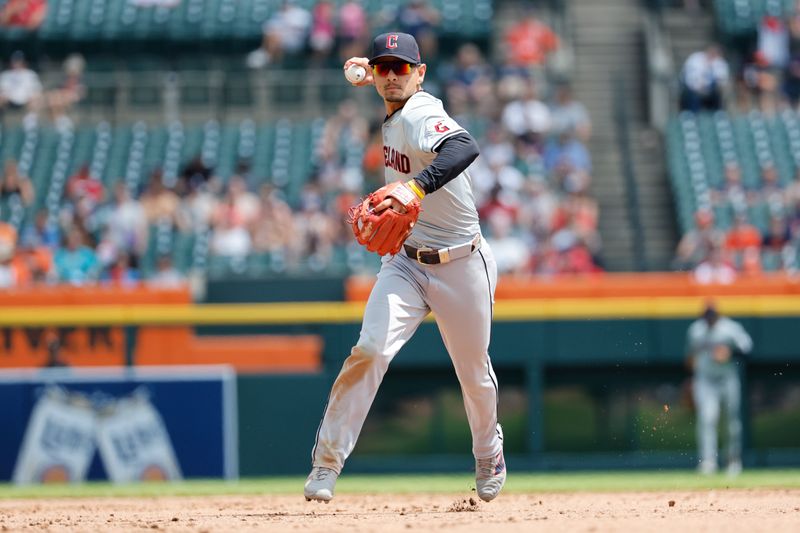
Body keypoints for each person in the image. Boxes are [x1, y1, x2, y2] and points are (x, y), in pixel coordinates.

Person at [304, 32, 505, 503]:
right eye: (384, 68)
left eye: (402, 68)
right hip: (407, 264)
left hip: (461, 264)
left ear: (421, 73)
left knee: (474, 374)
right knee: (370, 350)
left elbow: (464, 148)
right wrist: (366, 72)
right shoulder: (395, 107)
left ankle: (487, 451)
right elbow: (384, 83)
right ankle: (326, 463)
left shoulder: (420, 113)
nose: (392, 76)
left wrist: (415, 189)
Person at [686, 302, 753, 475]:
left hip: (727, 378)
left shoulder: (730, 328)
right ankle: (708, 462)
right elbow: (690, 356)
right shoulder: (696, 330)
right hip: (705, 380)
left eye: (711, 317)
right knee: (707, 419)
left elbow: (747, 349)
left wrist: (730, 352)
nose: (709, 320)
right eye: (706, 317)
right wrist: (691, 378)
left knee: (732, 422)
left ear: (717, 315)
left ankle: (733, 460)